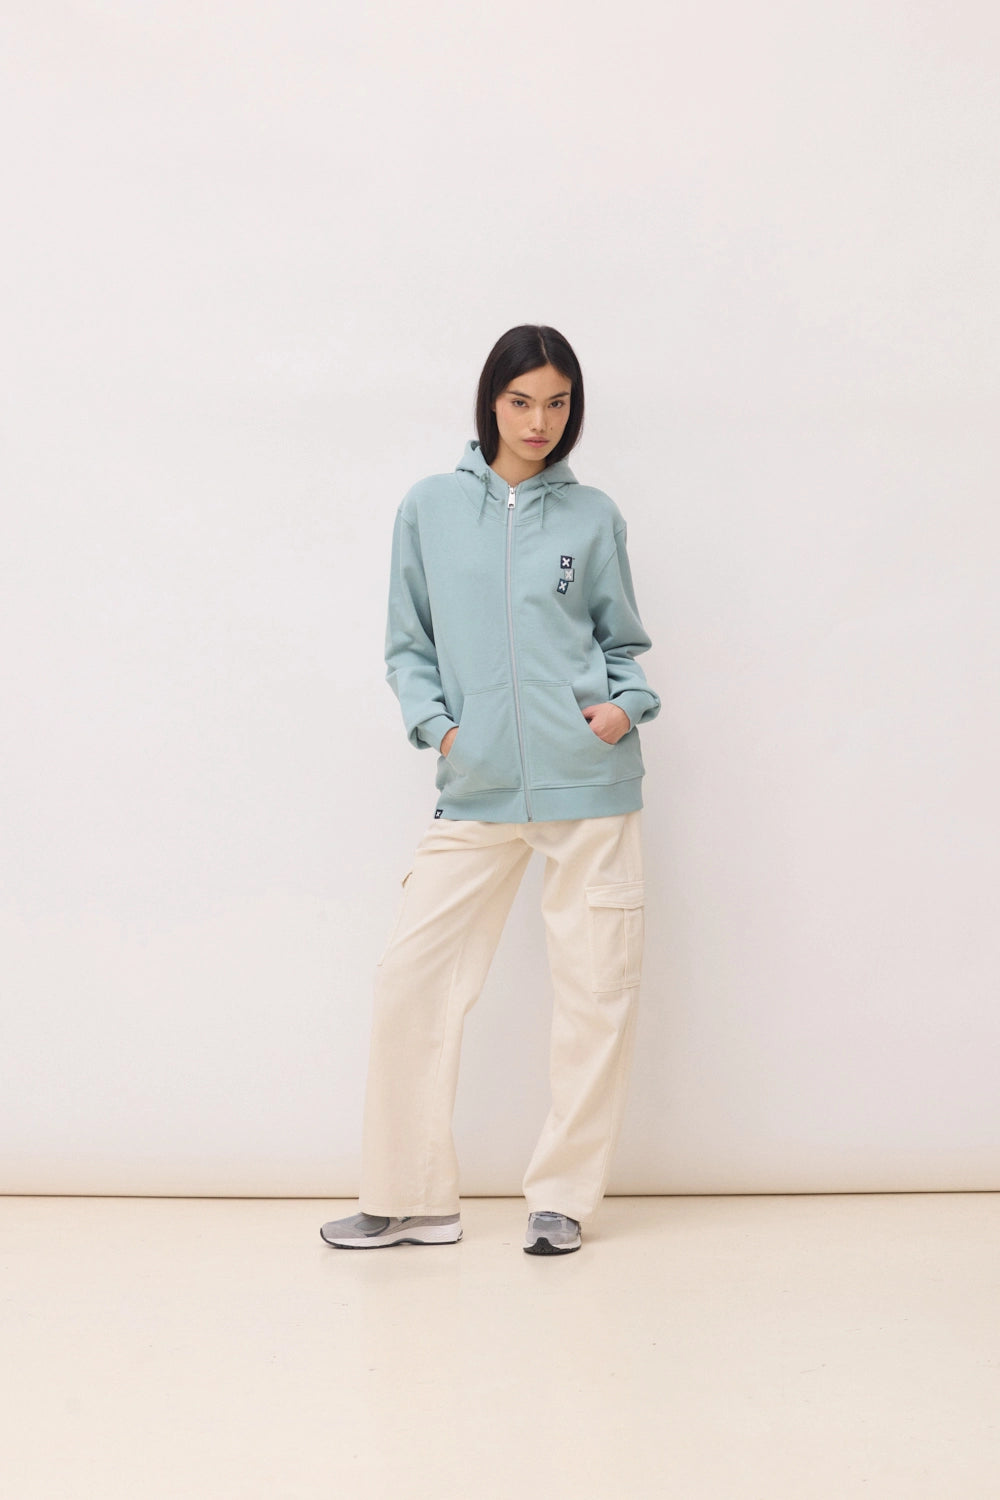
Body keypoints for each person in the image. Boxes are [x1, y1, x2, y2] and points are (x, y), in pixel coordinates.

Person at [320, 325, 659, 1256]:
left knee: (595, 993)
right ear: (491, 402)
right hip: (475, 786)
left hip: (590, 784)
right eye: (520, 401)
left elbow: (624, 641)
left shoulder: (592, 517)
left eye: (556, 403)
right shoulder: (430, 507)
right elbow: (408, 645)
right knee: (412, 981)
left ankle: (564, 1199)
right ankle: (411, 1197)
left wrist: (623, 708)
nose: (538, 421)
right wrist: (444, 731)